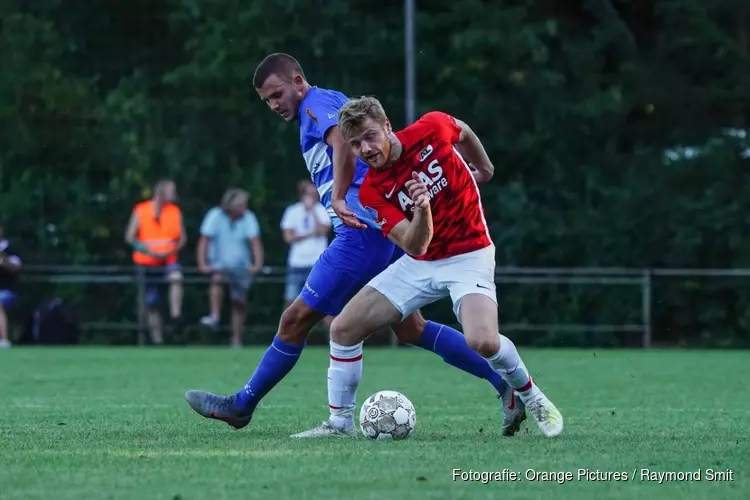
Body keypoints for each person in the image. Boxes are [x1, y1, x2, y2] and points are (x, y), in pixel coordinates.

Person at [185, 53, 526, 438]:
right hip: (378, 231)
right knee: (411, 329)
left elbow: (342, 143)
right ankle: (505, 385)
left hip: (360, 236)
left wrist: (340, 197)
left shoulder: (316, 105)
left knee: (295, 320)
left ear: (298, 81)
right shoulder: (318, 107)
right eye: (267, 100)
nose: (274, 105)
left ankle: (242, 406)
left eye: (277, 94)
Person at [327, 96, 563, 437]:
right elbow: (414, 245)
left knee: (483, 341)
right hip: (421, 261)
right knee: (342, 329)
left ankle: (532, 397)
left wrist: (484, 167)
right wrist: (422, 208)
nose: (365, 148)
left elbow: (463, 131)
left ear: (387, 126)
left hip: (470, 253)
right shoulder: (373, 191)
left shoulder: (432, 128)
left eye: (369, 136)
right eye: (355, 144)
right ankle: (339, 425)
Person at [198, 188, 264, 347]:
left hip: (240, 267)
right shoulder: (215, 215)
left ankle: (236, 339)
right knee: (217, 283)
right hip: (219, 265)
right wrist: (203, 263)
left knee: (239, 303)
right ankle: (214, 316)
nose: (245, 207)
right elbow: (204, 240)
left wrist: (257, 265)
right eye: (242, 204)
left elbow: (255, 242)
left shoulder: (248, 217)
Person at [125, 179, 186, 345]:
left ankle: (176, 315)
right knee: (152, 302)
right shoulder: (141, 210)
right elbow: (130, 237)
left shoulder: (174, 211)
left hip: (168, 259)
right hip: (146, 261)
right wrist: (148, 251)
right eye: (172, 191)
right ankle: (157, 340)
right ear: (161, 193)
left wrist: (170, 251)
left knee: (176, 278)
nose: (175, 195)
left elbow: (182, 238)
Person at [281, 180, 330, 322]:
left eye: (315, 194)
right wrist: (310, 233)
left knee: (324, 301)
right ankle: (286, 337)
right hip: (296, 263)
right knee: (290, 301)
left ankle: (332, 340)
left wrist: (313, 211)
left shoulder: (322, 210)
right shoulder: (292, 211)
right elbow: (288, 237)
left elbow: (323, 231)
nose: (313, 196)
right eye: (309, 193)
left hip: (317, 262)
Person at [0, 225, 22, 349]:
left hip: (7, 291)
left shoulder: (10, 249)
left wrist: (4, 260)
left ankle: (4, 339)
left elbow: (16, 267)